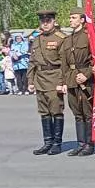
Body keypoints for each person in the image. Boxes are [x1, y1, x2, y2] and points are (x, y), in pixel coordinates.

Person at [60, 7, 95, 155]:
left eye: (74, 17)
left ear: (82, 20)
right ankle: (81, 143)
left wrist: (87, 74)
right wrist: (64, 81)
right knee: (77, 113)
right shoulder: (67, 39)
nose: (71, 20)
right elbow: (64, 62)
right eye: (70, 18)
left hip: (84, 79)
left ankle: (90, 144)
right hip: (71, 79)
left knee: (87, 113)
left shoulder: (89, 36)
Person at [27, 11, 66, 154]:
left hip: (55, 77)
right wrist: (30, 80)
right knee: (44, 112)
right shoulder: (37, 40)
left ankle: (57, 143)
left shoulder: (61, 38)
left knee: (56, 111)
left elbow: (64, 63)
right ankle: (47, 142)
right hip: (40, 78)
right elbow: (32, 62)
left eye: (48, 21)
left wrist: (62, 82)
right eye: (42, 21)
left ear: (54, 22)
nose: (45, 23)